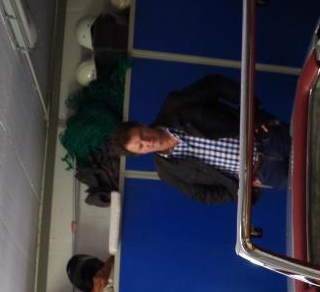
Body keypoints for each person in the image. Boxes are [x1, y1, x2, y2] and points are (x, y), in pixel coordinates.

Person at [111, 74, 290, 204]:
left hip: (268, 137)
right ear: (140, 154)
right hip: (264, 173)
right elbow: (201, 195)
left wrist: (252, 110)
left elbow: (215, 84)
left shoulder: (175, 105)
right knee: (307, 184)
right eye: (141, 146)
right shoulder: (167, 172)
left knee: (308, 142)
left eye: (142, 135)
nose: (147, 142)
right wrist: (241, 191)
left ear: (142, 125)